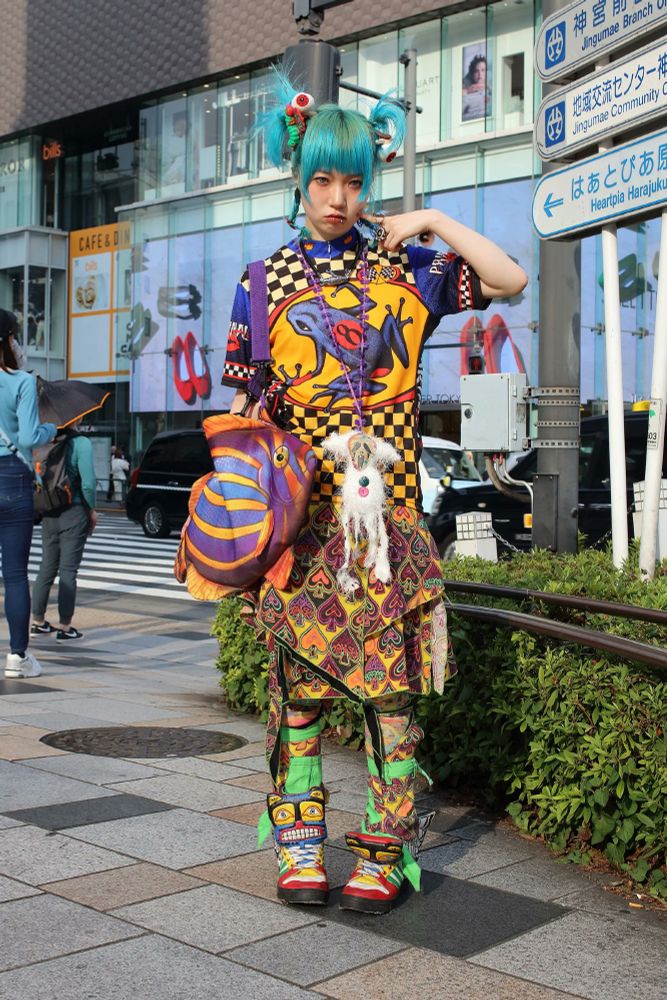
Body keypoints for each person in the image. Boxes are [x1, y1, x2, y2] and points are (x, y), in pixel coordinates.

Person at [221, 72, 527, 914]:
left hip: (387, 522)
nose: (337, 197)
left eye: (353, 181)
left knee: (390, 696)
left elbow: (509, 279)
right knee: (305, 693)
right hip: (304, 522)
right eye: (322, 179)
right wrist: (243, 523)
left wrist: (427, 220)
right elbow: (245, 412)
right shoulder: (262, 280)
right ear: (298, 177)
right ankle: (297, 839)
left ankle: (386, 847)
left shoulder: (410, 266)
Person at [0, 309, 57, 678]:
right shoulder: (20, 381)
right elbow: (26, 438)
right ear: (9, 340)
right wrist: (50, 428)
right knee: (15, 573)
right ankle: (17, 657)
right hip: (12, 480)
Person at [31, 419, 97, 641]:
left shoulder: (45, 443)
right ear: (77, 419)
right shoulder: (81, 444)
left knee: (47, 567)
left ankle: (38, 621)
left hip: (49, 511)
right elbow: (88, 483)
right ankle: (65, 627)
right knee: (68, 571)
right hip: (74, 511)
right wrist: (92, 510)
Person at [462, 54, 491, 122]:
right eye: (476, 71)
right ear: (472, 73)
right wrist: (467, 91)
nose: (480, 74)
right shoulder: (466, 93)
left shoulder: (491, 90)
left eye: (483, 70)